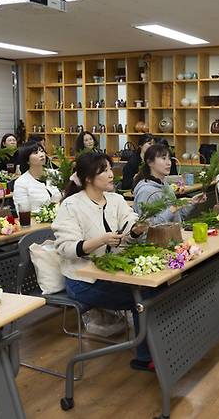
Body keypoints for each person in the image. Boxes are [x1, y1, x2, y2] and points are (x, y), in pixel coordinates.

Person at [52, 151, 154, 371]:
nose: (111, 175)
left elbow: (129, 225)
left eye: (110, 169)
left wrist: (136, 230)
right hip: (82, 280)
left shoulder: (116, 200)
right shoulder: (71, 206)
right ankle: (145, 357)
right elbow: (65, 248)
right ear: (88, 178)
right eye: (104, 170)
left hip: (111, 272)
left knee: (153, 289)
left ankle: (156, 348)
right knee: (142, 299)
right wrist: (99, 241)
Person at [132, 144, 205, 224]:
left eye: (169, 159)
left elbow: (178, 216)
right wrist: (172, 208)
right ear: (150, 162)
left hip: (174, 233)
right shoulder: (146, 191)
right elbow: (146, 226)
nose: (169, 163)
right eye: (163, 158)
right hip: (157, 236)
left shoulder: (165, 186)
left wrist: (192, 203)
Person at [13, 141, 61, 212]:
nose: (41, 155)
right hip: (37, 221)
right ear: (27, 160)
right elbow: (23, 212)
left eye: (42, 151)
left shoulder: (54, 174)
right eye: (36, 153)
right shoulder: (21, 183)